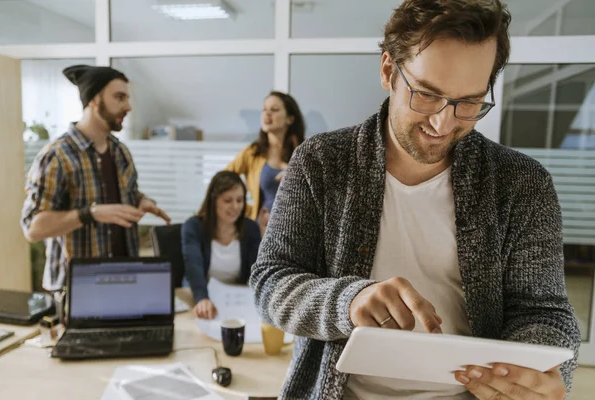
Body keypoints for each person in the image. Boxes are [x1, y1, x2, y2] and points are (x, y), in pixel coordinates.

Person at [249, 1, 580, 399]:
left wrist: (532, 368)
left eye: (469, 103)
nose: (443, 123)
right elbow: (270, 285)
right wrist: (348, 300)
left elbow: (545, 313)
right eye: (426, 95)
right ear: (388, 71)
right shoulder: (320, 162)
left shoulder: (523, 184)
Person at [21, 65, 171, 291]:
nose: (128, 106)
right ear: (93, 99)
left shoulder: (120, 152)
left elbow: (124, 193)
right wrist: (90, 214)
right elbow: (33, 228)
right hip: (77, 292)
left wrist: (141, 201)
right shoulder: (56, 157)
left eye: (127, 98)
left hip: (125, 282)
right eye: (119, 97)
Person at [182, 171, 261, 320]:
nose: (235, 206)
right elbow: (194, 267)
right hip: (201, 293)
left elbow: (256, 272)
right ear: (214, 200)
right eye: (228, 200)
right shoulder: (193, 227)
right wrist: (202, 298)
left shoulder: (250, 229)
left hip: (235, 298)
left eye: (240, 200)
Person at [226, 91, 305, 234]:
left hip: (297, 230)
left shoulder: (304, 152)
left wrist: (296, 174)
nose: (267, 114)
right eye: (264, 109)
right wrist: (246, 210)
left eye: (274, 110)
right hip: (262, 231)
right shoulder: (252, 153)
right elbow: (221, 182)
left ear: (290, 119)